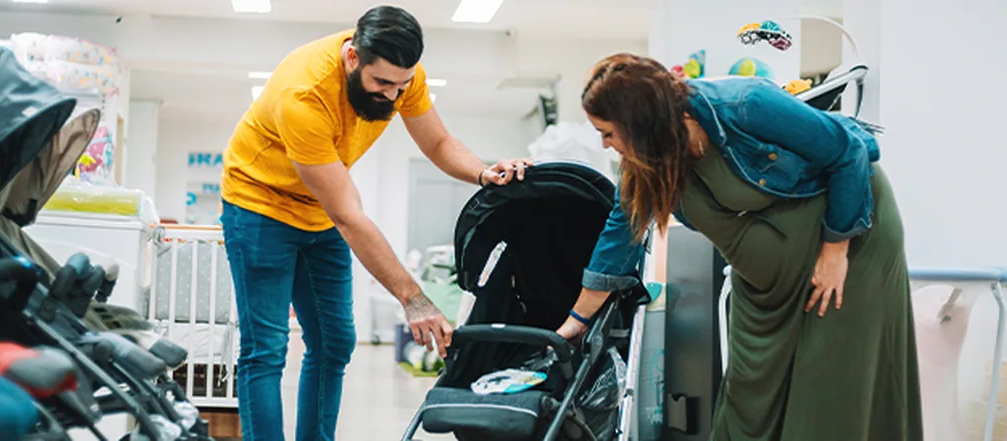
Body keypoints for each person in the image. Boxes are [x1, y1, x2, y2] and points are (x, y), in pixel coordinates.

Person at [555, 53, 924, 441]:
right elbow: (621, 229)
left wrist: (835, 252)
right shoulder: (647, 158)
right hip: (772, 275)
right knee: (750, 390)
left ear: (639, 122)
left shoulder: (745, 105)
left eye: (608, 132)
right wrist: (577, 322)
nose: (605, 143)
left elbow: (849, 152)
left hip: (851, 238)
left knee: (829, 382)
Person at [218, 6, 530, 441]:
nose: (392, 96)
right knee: (266, 350)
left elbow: (437, 142)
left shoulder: (404, 77)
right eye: (381, 83)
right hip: (259, 207)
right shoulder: (304, 94)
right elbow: (348, 214)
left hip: (319, 211)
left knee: (334, 342)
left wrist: (483, 172)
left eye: (401, 85)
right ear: (352, 59)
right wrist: (414, 299)